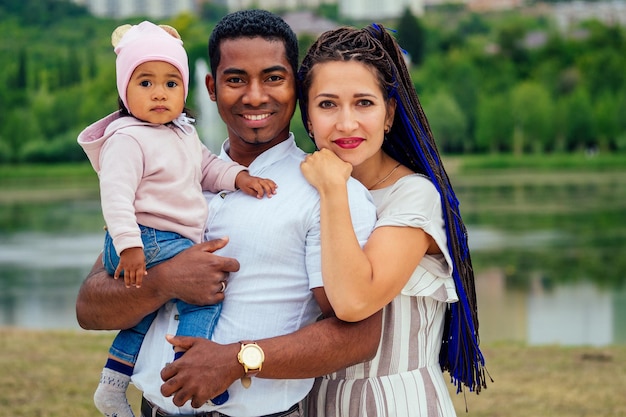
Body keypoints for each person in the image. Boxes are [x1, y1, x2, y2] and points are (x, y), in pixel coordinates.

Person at [76, 10, 382, 417]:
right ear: (210, 87)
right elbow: (89, 307)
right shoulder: (167, 173)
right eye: (236, 79)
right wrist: (165, 281)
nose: (255, 96)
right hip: (150, 408)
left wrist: (238, 359)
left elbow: (358, 337)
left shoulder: (330, 193)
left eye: (274, 78)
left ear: (297, 86)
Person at [77, 21, 277, 417]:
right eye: (145, 83)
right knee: (203, 293)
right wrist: (129, 247)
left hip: (157, 241)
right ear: (124, 90)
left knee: (143, 314)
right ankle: (191, 371)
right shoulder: (127, 139)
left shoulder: (182, 132)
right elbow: (115, 198)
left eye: (171, 84)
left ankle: (113, 383)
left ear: (185, 90)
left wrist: (240, 178)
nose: (159, 94)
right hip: (147, 239)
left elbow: (207, 168)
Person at [298, 25, 488, 416]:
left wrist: (335, 190)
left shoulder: (413, 195)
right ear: (308, 115)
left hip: (395, 402)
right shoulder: (302, 187)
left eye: (364, 103)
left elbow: (353, 301)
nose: (346, 123)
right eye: (328, 104)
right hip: (314, 401)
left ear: (390, 114)